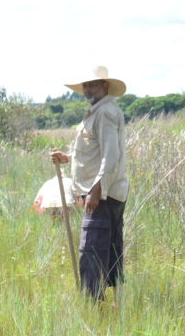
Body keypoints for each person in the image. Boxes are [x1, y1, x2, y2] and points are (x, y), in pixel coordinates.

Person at [51, 66, 129, 300]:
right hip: (106, 191)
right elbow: (97, 152)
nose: (87, 89)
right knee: (106, 250)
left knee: (92, 251)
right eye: (85, 85)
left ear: (105, 85)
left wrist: (97, 190)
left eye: (93, 84)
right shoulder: (98, 112)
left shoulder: (105, 112)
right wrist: (68, 158)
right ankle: (108, 303)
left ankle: (93, 303)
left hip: (102, 195)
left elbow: (111, 155)